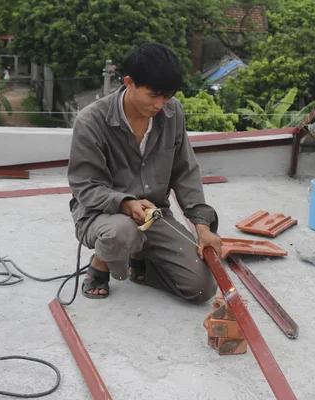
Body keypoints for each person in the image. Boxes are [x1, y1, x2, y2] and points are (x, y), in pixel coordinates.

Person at [67, 43, 221, 303]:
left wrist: (202, 226)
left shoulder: (173, 113)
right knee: (120, 233)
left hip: (153, 215)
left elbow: (185, 172)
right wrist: (126, 203)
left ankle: (140, 262)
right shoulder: (91, 121)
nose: (160, 104)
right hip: (103, 216)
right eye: (153, 95)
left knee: (202, 288)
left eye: (167, 96)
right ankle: (100, 265)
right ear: (129, 82)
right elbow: (86, 186)